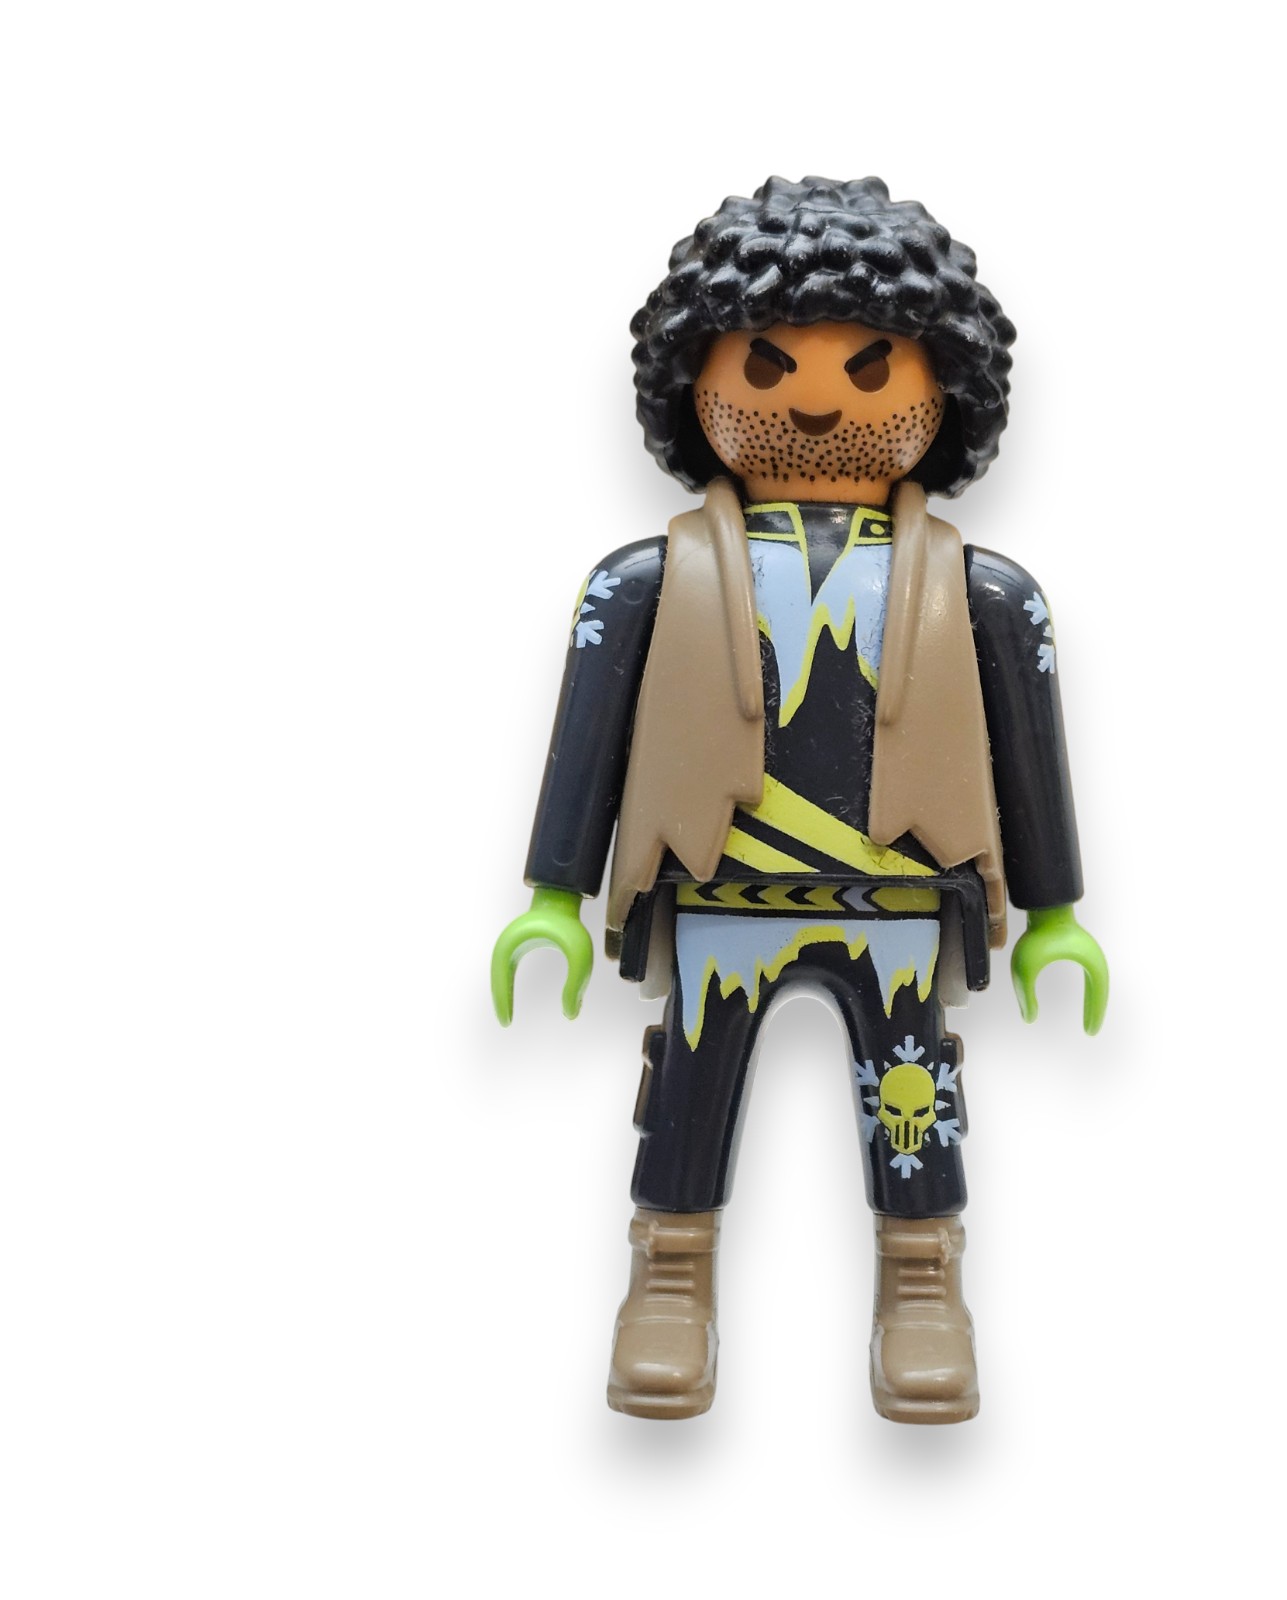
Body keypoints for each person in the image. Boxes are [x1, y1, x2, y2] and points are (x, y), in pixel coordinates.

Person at [491, 176, 1108, 1423]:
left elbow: (1029, 753)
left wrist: (1054, 912)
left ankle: (921, 1280)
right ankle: (669, 1277)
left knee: (911, 1088)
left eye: (872, 371)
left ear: (944, 389)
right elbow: (589, 734)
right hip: (721, 891)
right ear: (694, 382)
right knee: (688, 1085)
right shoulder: (642, 583)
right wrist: (553, 895)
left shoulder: (983, 595)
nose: (819, 402)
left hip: (898, 899)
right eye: (766, 367)